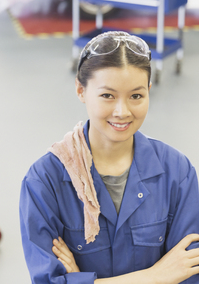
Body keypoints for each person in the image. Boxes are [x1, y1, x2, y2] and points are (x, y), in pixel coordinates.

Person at [19, 31, 199, 283]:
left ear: (148, 90)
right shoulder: (44, 181)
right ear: (81, 90)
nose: (122, 111)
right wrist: (155, 276)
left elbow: (189, 273)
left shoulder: (177, 173)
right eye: (107, 95)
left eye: (136, 96)